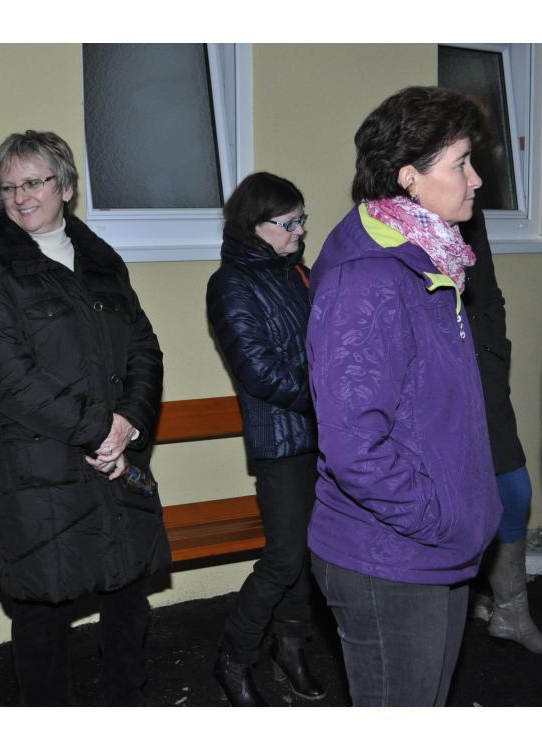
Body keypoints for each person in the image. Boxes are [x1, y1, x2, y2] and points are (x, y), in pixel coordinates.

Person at [306, 86, 503, 706]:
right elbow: (353, 446)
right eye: (461, 164)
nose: (476, 179)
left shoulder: (430, 258)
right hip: (390, 554)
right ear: (409, 177)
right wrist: (439, 518)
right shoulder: (368, 278)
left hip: (428, 547)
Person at [0, 130, 169, 706]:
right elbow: (7, 376)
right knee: (43, 611)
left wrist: (129, 423)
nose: (19, 196)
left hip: (115, 459)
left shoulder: (102, 261)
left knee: (128, 596)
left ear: (67, 187)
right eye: (8, 187)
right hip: (39, 468)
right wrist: (100, 430)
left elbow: (144, 350)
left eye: (33, 182)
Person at [206, 172, 323, 706]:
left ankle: (291, 649)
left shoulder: (297, 273)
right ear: (254, 225)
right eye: (289, 223)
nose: (300, 231)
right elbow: (258, 371)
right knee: (284, 557)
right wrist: (328, 399)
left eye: (301, 220)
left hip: (321, 435)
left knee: (307, 553)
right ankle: (234, 657)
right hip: (281, 440)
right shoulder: (231, 283)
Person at [459, 209, 542, 654]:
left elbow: (486, 286)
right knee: (456, 502)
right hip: (442, 381)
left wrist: (495, 345)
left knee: (514, 491)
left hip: (485, 370)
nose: (474, 179)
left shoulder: (469, 210)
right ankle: (466, 609)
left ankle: (511, 614)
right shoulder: (403, 217)